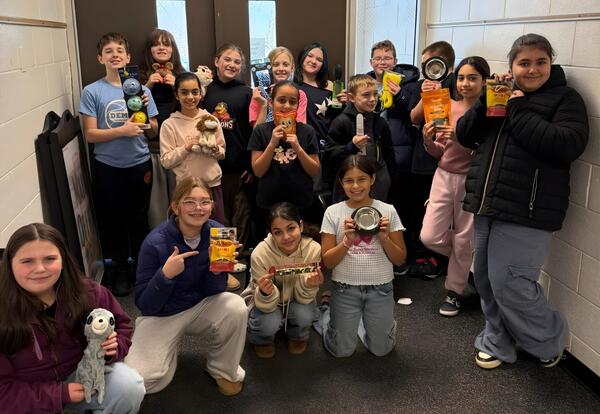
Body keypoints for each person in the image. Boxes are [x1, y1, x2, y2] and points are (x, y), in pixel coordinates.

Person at [456, 34, 588, 369]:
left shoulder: (565, 99)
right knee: (485, 278)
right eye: (523, 63)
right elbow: (465, 135)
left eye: (540, 61)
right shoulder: (501, 95)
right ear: (512, 66)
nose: (532, 69)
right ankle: (498, 340)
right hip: (487, 203)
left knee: (511, 282)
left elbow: (566, 145)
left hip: (528, 210)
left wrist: (516, 108)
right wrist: (489, 101)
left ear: (551, 62)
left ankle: (548, 341)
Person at [0, 223, 144, 414]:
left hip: (80, 375)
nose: (40, 268)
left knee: (128, 385)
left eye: (50, 258)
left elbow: (122, 325)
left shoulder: (89, 292)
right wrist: (58, 394)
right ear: (9, 264)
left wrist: (112, 348)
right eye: (27, 261)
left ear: (63, 260)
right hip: (26, 391)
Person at [124, 177, 247, 396]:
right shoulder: (155, 242)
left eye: (205, 202)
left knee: (235, 305)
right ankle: (167, 356)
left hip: (200, 306)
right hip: (162, 315)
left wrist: (216, 271)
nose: (198, 208)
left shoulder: (219, 234)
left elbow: (215, 292)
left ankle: (221, 369)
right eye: (190, 202)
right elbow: (144, 305)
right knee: (140, 382)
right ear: (175, 206)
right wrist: (164, 276)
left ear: (212, 206)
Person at [79, 32, 159, 297]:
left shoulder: (141, 89)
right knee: (113, 220)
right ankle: (121, 268)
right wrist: (121, 131)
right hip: (108, 167)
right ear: (100, 58)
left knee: (139, 218)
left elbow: (153, 132)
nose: (115, 55)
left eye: (120, 50)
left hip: (139, 164)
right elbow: (90, 134)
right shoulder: (92, 91)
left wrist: (146, 116)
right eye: (109, 51)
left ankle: (140, 265)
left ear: (128, 57)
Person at [315, 155, 406, 357]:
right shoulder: (333, 212)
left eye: (362, 179)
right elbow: (328, 262)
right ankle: (326, 312)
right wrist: (347, 241)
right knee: (341, 351)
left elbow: (400, 259)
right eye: (349, 180)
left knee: (381, 350)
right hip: (345, 288)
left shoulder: (387, 211)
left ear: (372, 179)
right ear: (341, 183)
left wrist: (384, 237)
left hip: (380, 289)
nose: (355, 186)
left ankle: (372, 324)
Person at [420, 56, 490, 317]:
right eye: (461, 77)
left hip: (471, 179)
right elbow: (440, 151)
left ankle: (454, 292)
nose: (465, 84)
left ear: (484, 82)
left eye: (473, 78)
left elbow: (486, 150)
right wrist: (428, 141)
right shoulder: (445, 105)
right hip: (443, 176)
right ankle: (464, 259)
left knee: (463, 238)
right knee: (429, 236)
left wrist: (462, 138)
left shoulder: (487, 113)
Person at [241, 202, 322, 358]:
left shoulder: (314, 249)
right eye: (278, 232)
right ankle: (261, 339)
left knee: (304, 314)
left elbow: (306, 298)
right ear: (271, 233)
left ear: (301, 226)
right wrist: (265, 292)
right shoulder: (260, 253)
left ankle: (297, 334)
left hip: (298, 298)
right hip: (267, 303)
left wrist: (309, 285)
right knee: (268, 322)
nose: (286, 237)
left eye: (291, 228)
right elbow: (263, 304)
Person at [203, 44, 254, 288]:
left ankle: (238, 262)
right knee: (217, 219)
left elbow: (254, 131)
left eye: (237, 61)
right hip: (211, 168)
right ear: (216, 61)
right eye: (227, 59)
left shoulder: (247, 92)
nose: (232, 64)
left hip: (240, 168)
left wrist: (251, 166)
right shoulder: (204, 91)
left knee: (240, 217)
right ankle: (221, 267)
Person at [405, 40, 457, 278]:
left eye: (430, 63)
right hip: (423, 155)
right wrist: (426, 95)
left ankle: (439, 259)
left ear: (446, 65)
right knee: (418, 208)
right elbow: (414, 118)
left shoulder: (457, 83)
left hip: (450, 158)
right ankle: (420, 254)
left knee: (443, 213)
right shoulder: (421, 85)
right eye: (424, 64)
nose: (426, 68)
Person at [366, 40, 420, 240]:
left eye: (387, 58)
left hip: (401, 155)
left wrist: (399, 95)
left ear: (395, 61)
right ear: (371, 62)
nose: (382, 62)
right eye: (378, 58)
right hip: (372, 156)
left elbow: (416, 114)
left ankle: (400, 252)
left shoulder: (411, 85)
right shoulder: (364, 83)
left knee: (400, 206)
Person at [160, 72, 226, 224]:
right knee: (189, 231)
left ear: (201, 94)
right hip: (186, 190)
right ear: (176, 95)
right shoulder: (169, 124)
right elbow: (166, 161)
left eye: (195, 92)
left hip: (212, 186)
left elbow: (222, 152)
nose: (190, 97)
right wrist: (186, 148)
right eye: (184, 92)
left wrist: (216, 150)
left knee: (216, 232)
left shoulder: (210, 119)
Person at [248, 80, 320, 212]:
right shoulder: (260, 131)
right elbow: (258, 171)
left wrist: (298, 148)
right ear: (271, 103)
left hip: (301, 201)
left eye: (292, 102)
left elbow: (314, 171)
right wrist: (272, 144)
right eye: (281, 100)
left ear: (298, 106)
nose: (286, 106)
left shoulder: (307, 131)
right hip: (269, 202)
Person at [140, 28, 186, 229]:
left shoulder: (183, 75)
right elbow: (131, 106)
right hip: (152, 150)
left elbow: (195, 106)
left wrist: (178, 86)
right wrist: (147, 85)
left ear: (173, 49)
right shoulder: (139, 79)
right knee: (156, 207)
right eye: (156, 44)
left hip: (180, 149)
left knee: (183, 202)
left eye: (166, 44)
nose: (161, 48)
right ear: (149, 49)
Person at [325, 75, 394, 202]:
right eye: (366, 95)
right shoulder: (341, 122)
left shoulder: (380, 123)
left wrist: (390, 180)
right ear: (351, 98)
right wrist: (351, 147)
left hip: (378, 183)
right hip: (350, 185)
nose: (373, 99)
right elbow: (329, 155)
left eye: (375, 94)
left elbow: (389, 156)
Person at [293, 43, 346, 156]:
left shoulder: (331, 86)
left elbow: (337, 118)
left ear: (323, 65)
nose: (313, 61)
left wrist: (345, 104)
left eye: (319, 59)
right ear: (302, 57)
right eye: (310, 56)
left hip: (326, 148)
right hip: (299, 146)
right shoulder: (291, 86)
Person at [250, 46, 307, 126]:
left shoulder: (300, 94)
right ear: (268, 67)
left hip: (291, 137)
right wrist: (263, 105)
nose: (281, 68)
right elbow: (256, 132)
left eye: (285, 64)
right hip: (266, 138)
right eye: (276, 65)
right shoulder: (258, 94)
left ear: (292, 68)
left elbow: (301, 129)